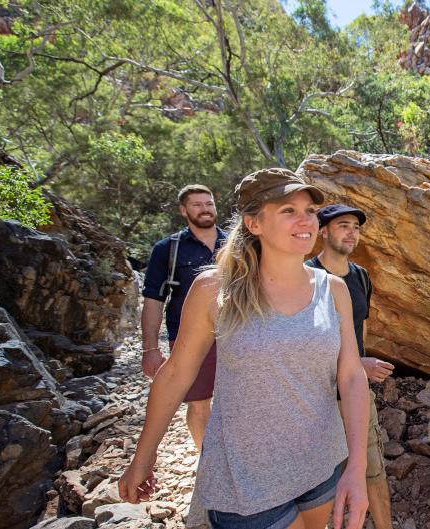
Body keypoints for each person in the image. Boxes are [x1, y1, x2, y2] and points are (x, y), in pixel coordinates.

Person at [120, 168, 370, 529]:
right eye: (288, 211)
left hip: (320, 462)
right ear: (254, 224)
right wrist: (144, 457)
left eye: (310, 211)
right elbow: (176, 374)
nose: (306, 221)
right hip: (244, 479)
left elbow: (350, 377)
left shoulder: (333, 289)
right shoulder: (214, 288)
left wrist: (357, 469)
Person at [307, 204, 395, 529]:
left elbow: (360, 331)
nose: (352, 233)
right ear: (323, 231)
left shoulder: (360, 276)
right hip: (315, 397)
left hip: (355, 393)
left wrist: (360, 367)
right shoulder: (306, 278)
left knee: (372, 469)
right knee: (323, 477)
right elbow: (302, 350)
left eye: (356, 227)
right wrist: (360, 363)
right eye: (343, 225)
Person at [140, 184, 225, 450]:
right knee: (200, 405)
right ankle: (209, 461)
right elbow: (154, 300)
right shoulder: (168, 249)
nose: (205, 209)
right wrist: (150, 348)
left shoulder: (236, 243)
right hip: (188, 339)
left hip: (237, 334)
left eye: (209, 203)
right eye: (197, 205)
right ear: (183, 210)